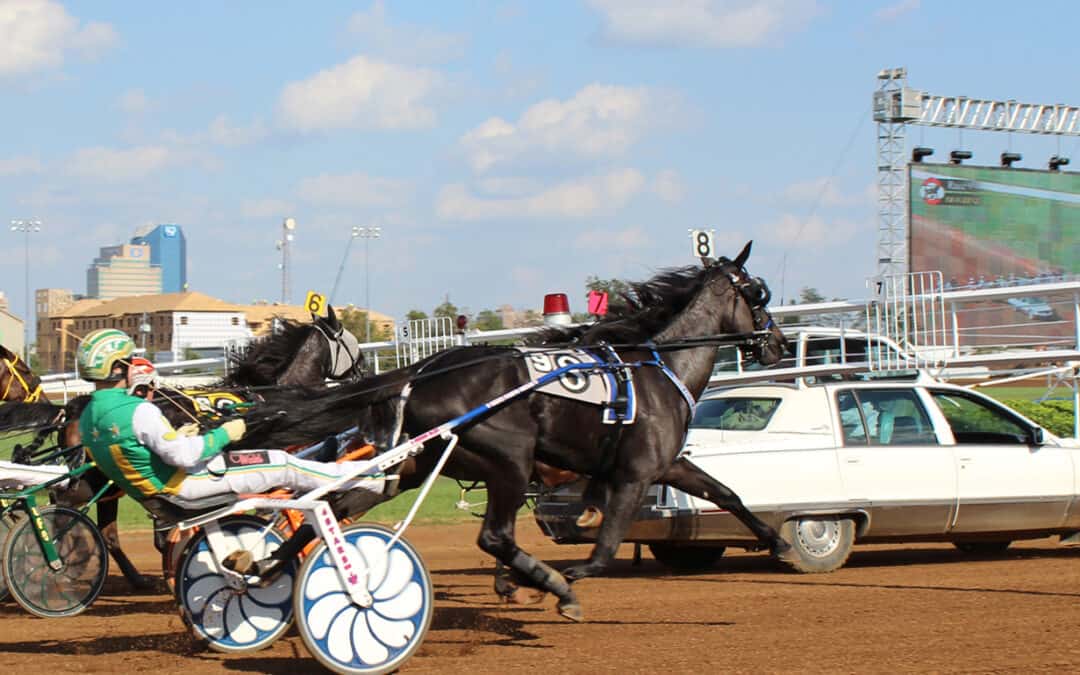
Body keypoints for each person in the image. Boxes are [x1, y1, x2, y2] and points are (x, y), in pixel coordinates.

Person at [77, 329, 387, 573]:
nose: (135, 366)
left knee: (279, 465)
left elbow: (138, 452)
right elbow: (184, 456)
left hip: (162, 492)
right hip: (187, 485)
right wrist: (226, 433)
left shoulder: (90, 416)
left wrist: (179, 438)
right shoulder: (137, 411)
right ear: (117, 367)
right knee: (281, 464)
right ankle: (361, 478)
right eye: (130, 361)